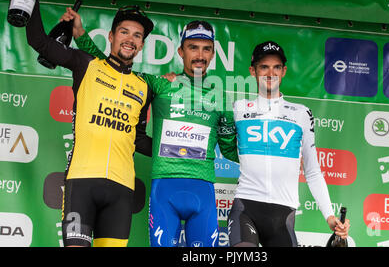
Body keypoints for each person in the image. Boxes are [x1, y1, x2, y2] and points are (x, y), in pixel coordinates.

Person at [21, 0, 154, 247]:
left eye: (137, 35)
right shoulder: (86, 64)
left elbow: (139, 139)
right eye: (124, 32)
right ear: (111, 36)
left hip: (121, 190)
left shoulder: (143, 87)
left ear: (142, 44)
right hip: (82, 183)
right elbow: (40, 42)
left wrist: (182, 150)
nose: (130, 39)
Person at [72, 19, 238, 247]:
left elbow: (231, 149)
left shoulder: (221, 98)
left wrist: (270, 157)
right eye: (193, 47)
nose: (200, 55)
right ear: (181, 51)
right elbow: (111, 65)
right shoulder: (160, 84)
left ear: (212, 54)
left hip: (203, 190)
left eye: (206, 49)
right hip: (164, 189)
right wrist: (81, 35)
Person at [228, 41, 350, 247]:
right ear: (253, 71)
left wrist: (330, 216)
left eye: (276, 67)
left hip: (283, 214)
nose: (270, 73)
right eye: (264, 67)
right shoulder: (237, 109)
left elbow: (312, 171)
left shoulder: (301, 113)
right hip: (246, 207)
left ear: (284, 71)